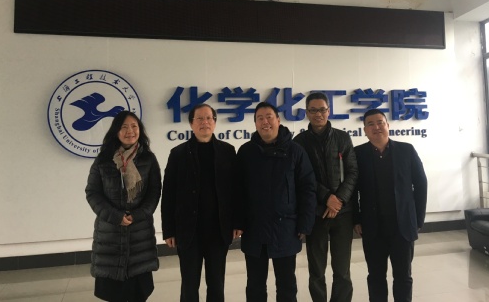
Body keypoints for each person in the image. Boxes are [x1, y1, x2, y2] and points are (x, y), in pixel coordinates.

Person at [236, 101, 316, 302]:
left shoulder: (295, 151)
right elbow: (236, 191)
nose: (265, 122)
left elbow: (307, 189)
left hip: (286, 228)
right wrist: (237, 222)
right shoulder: (246, 152)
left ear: (278, 120)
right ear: (255, 123)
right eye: (260, 118)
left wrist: (305, 223)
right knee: (255, 284)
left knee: (287, 284)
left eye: (269, 117)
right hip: (254, 229)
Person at [161, 103, 241, 302]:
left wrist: (238, 222)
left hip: (218, 229)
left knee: (216, 283)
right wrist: (169, 230)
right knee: (189, 285)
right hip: (188, 231)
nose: (205, 122)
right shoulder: (178, 154)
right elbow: (168, 193)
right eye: (200, 119)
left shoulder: (227, 151)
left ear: (214, 122)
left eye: (209, 118)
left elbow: (236, 191)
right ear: (191, 124)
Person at [85, 111, 162, 302]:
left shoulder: (148, 159)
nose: (130, 131)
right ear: (116, 131)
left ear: (140, 130)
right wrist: (115, 216)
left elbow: (154, 192)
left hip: (139, 233)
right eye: (124, 127)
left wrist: (138, 215)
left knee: (138, 292)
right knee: (113, 293)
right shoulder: (103, 160)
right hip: (110, 233)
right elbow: (92, 193)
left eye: (134, 126)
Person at [353, 109, 428, 302]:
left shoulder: (406, 150)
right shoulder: (358, 154)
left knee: (403, 276)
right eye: (370, 124)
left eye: (380, 122)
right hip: (372, 227)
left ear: (387, 125)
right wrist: (356, 219)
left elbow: (421, 184)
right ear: (365, 130)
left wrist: (418, 219)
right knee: (375, 276)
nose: (376, 127)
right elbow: (352, 190)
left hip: (402, 226)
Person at [293, 92, 358, 302]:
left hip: (343, 212)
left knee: (342, 270)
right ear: (306, 113)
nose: (318, 114)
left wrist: (339, 200)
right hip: (315, 213)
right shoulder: (299, 142)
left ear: (328, 111)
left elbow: (352, 172)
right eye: (313, 110)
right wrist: (327, 197)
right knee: (316, 271)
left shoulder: (342, 138)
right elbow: (302, 177)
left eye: (322, 109)